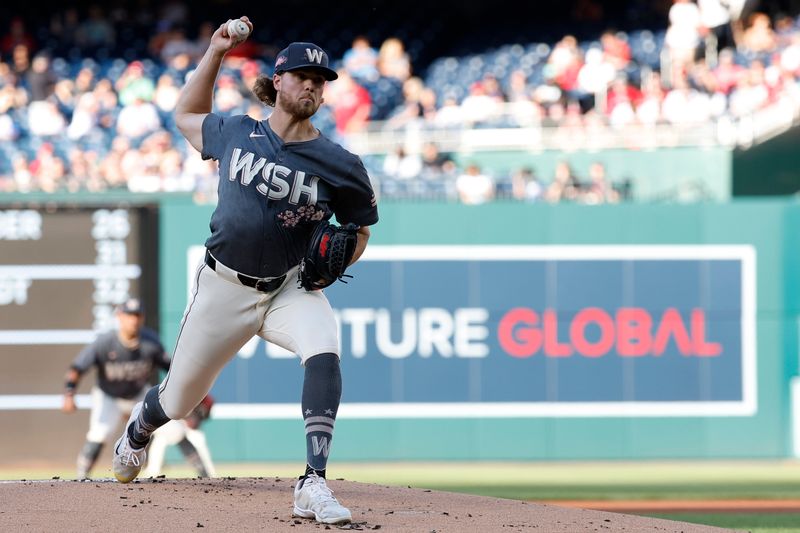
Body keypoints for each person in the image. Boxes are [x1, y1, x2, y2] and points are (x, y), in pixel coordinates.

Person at [110, 17, 378, 528]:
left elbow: (360, 231)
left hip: (289, 286)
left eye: (320, 81)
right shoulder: (237, 131)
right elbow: (185, 113)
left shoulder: (340, 164)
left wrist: (339, 260)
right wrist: (215, 51)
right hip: (223, 288)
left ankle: (313, 482)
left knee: (324, 345)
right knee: (178, 399)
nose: (312, 86)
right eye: (303, 76)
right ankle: (140, 430)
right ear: (277, 80)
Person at [60, 298, 173, 479]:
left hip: (137, 394)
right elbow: (77, 369)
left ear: (142, 318)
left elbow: (171, 368)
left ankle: (205, 476)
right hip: (109, 396)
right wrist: (69, 393)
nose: (133, 320)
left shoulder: (150, 342)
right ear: (119, 316)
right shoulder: (105, 342)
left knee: (173, 430)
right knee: (99, 433)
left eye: (137, 315)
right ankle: (81, 476)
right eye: (129, 315)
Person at [143, 394, 216, 478]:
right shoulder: (178, 391)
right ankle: (152, 470)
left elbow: (204, 414)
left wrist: (196, 419)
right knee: (160, 439)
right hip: (175, 422)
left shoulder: (206, 399)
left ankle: (209, 473)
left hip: (189, 426)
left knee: (200, 442)